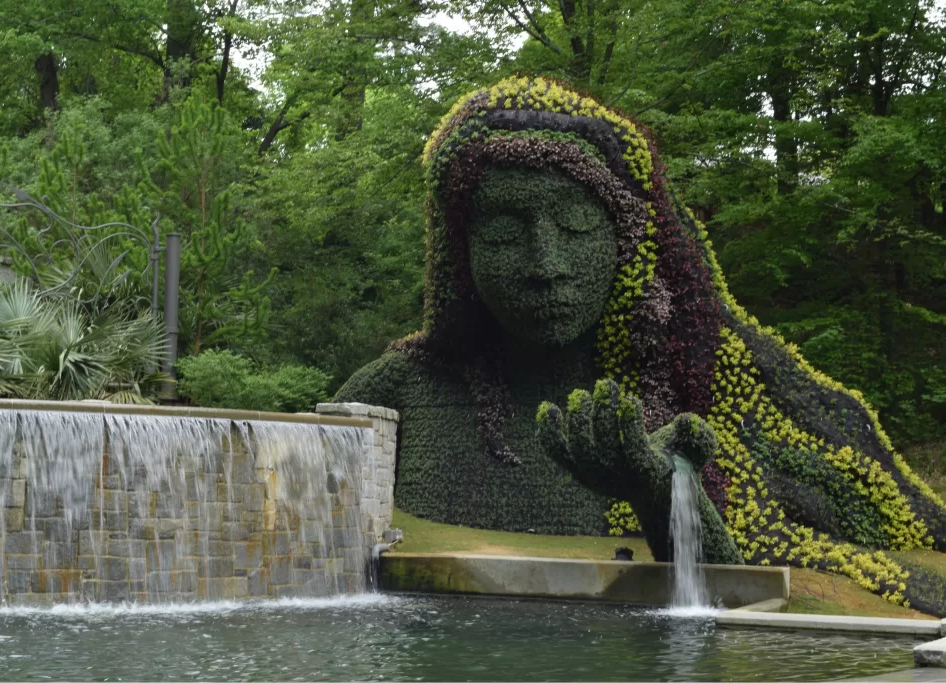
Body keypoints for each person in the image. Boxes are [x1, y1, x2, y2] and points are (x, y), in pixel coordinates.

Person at [336, 77, 946, 605]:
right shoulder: (398, 392)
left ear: (627, 242)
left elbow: (722, 596)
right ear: (461, 257)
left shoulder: (692, 398)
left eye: (575, 226)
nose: (544, 264)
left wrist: (656, 486)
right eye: (501, 235)